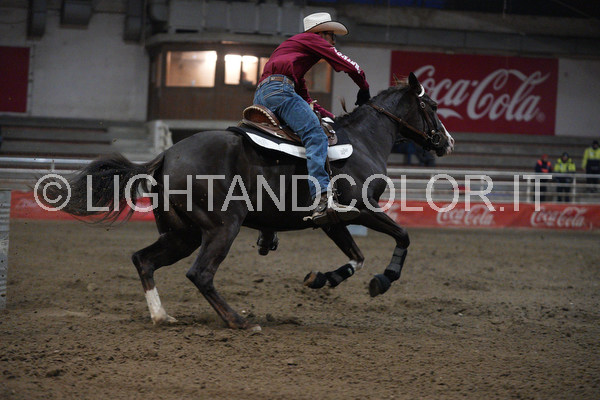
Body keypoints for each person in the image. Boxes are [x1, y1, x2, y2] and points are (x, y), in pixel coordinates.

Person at [253, 12, 370, 225]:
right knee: (315, 136)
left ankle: (268, 228)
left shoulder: (292, 51)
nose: (333, 41)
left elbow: (305, 98)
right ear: (321, 33)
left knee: (284, 145)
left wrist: (331, 117)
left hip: (263, 95)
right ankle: (322, 197)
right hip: (280, 91)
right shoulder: (312, 40)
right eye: (332, 35)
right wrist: (364, 87)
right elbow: (347, 64)